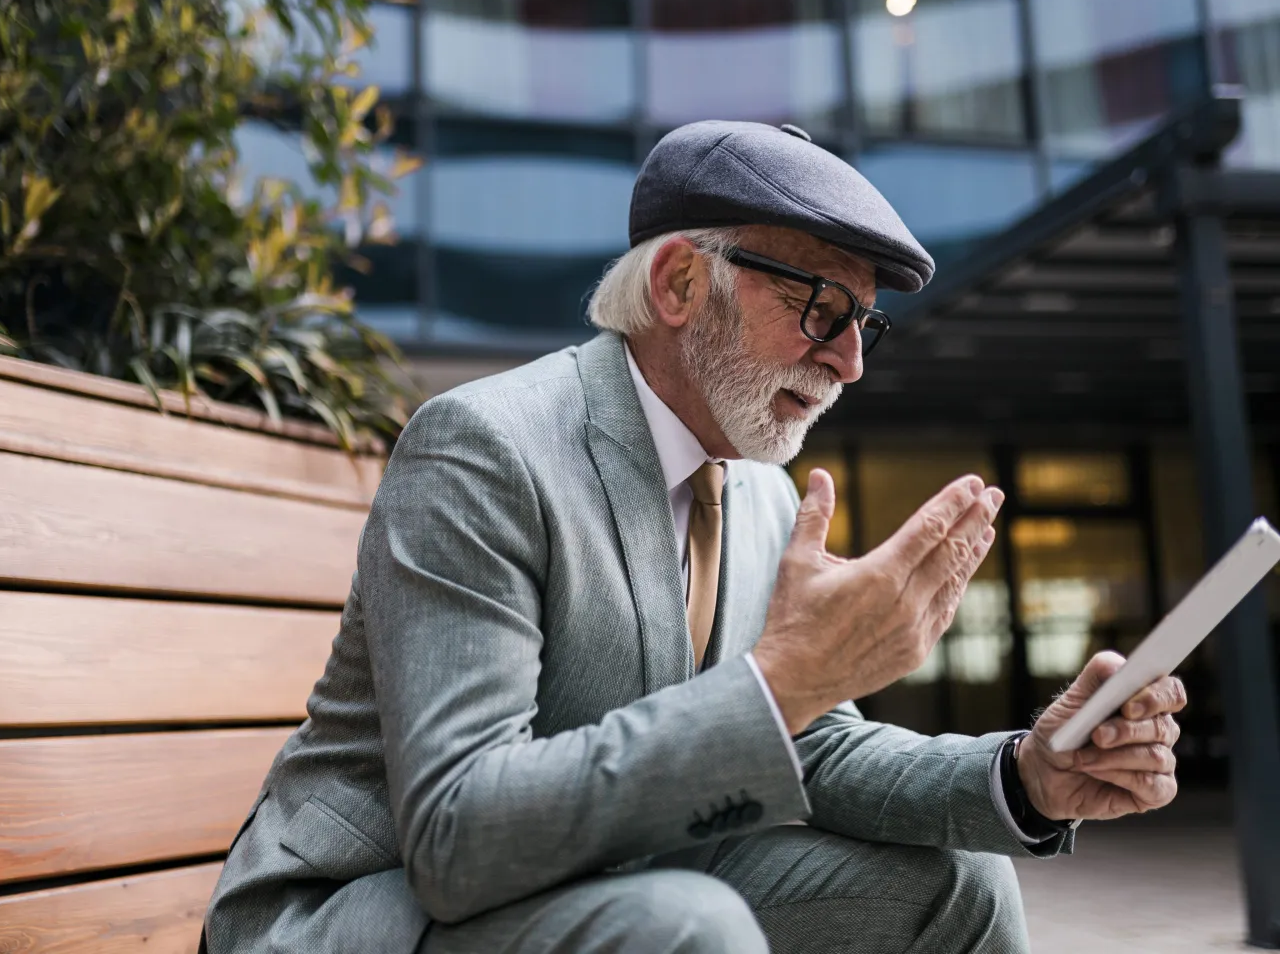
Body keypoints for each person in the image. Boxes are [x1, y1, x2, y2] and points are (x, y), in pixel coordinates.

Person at [201, 121, 1186, 954]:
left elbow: (808, 748)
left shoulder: (758, 488)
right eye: (821, 308)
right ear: (679, 285)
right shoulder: (484, 447)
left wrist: (1027, 775)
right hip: (355, 909)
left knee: (964, 888)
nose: (849, 362)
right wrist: (786, 680)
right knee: (689, 924)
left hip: (583, 882)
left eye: (864, 326)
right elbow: (458, 837)